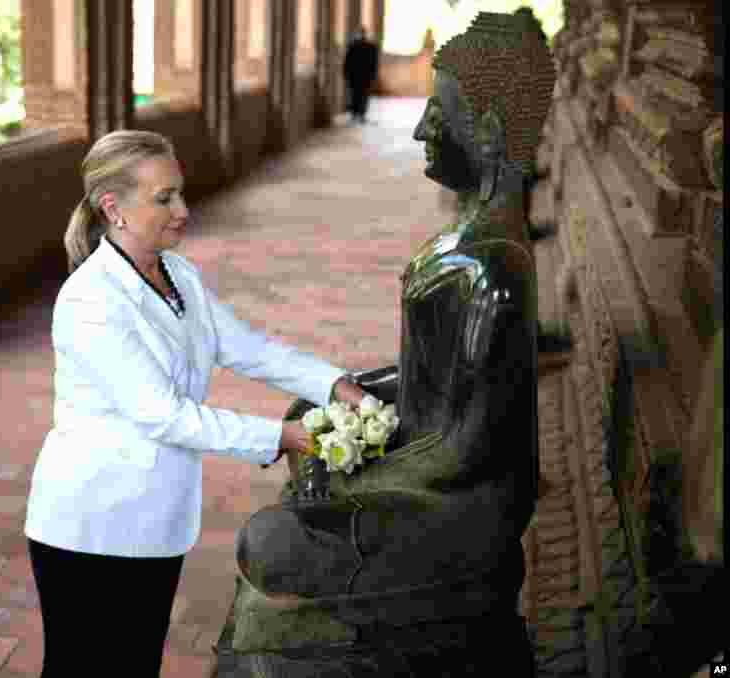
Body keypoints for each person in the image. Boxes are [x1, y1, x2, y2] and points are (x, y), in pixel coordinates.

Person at [224, 12, 556, 675]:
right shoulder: (463, 243)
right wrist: (335, 414)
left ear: (487, 131)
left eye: (441, 113)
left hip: (462, 506)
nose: (419, 128)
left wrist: (353, 473)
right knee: (302, 424)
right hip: (428, 470)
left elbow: (469, 449)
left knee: (269, 539)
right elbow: (419, 380)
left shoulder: (494, 267)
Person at [23, 129, 367, 677]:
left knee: (134, 665)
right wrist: (282, 436)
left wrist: (333, 384)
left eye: (179, 193)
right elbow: (164, 414)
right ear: (113, 208)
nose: (183, 210)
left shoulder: (177, 273)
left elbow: (244, 347)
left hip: (153, 518)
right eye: (164, 198)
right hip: (92, 523)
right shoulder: (92, 300)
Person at [342, 27, 380, 123]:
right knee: (359, 95)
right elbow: (348, 61)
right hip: (358, 76)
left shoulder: (362, 46)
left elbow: (374, 63)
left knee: (360, 95)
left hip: (360, 76)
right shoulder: (356, 46)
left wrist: (346, 74)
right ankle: (357, 114)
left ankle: (359, 114)